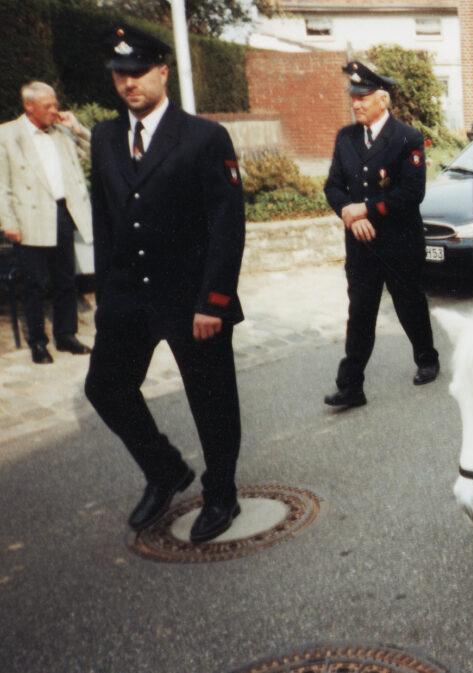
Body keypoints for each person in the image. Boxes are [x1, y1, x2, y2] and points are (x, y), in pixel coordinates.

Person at [84, 24, 247, 544]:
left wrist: (214, 302)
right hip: (129, 295)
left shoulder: (203, 137)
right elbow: (105, 218)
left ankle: (221, 493)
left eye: (136, 73)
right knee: (105, 387)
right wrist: (105, 295)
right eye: (119, 75)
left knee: (212, 400)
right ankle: (164, 469)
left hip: (190, 297)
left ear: (161, 72)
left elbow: (227, 226)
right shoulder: (106, 137)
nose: (128, 83)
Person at [323, 61, 440, 410]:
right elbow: (333, 186)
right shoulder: (346, 137)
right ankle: (351, 385)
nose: (356, 103)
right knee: (359, 313)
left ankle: (427, 358)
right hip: (361, 246)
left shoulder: (407, 138)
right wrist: (349, 213)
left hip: (399, 243)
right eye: (353, 97)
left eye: (364, 97)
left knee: (409, 304)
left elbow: (411, 193)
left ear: (383, 99)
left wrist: (367, 209)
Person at [0, 82, 94, 364]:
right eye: (47, 106)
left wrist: (77, 128)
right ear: (28, 106)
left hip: (62, 212)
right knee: (34, 284)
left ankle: (66, 336)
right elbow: (1, 184)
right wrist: (8, 222)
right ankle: (38, 342)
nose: (54, 110)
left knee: (67, 280)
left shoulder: (63, 132)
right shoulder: (7, 134)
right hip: (29, 218)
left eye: (55, 104)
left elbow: (93, 153)